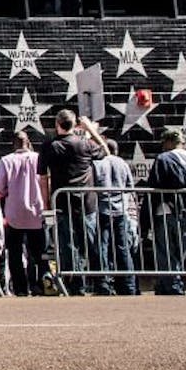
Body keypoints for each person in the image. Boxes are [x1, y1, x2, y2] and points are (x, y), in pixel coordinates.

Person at [37, 110, 106, 295]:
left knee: (69, 247)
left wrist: (46, 206)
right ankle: (103, 284)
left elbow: (43, 179)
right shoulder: (85, 144)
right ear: (75, 124)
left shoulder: (49, 146)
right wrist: (91, 129)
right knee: (92, 244)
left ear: (56, 124)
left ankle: (77, 286)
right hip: (86, 202)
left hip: (62, 203)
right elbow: (105, 151)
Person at [148, 128, 186, 295]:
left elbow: (155, 184)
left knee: (166, 250)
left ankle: (172, 286)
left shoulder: (163, 158)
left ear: (167, 142)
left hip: (166, 210)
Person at [0, 132, 45, 297]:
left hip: (14, 212)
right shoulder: (39, 158)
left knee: (15, 253)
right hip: (37, 211)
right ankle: (37, 285)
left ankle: (21, 288)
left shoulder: (6, 161)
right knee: (37, 252)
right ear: (28, 143)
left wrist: (7, 191)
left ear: (13, 143)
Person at [93, 138, 137, 296]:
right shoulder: (123, 164)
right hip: (121, 210)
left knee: (102, 247)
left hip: (102, 209)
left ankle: (104, 283)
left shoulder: (98, 163)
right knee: (123, 247)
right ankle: (128, 285)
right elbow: (130, 187)